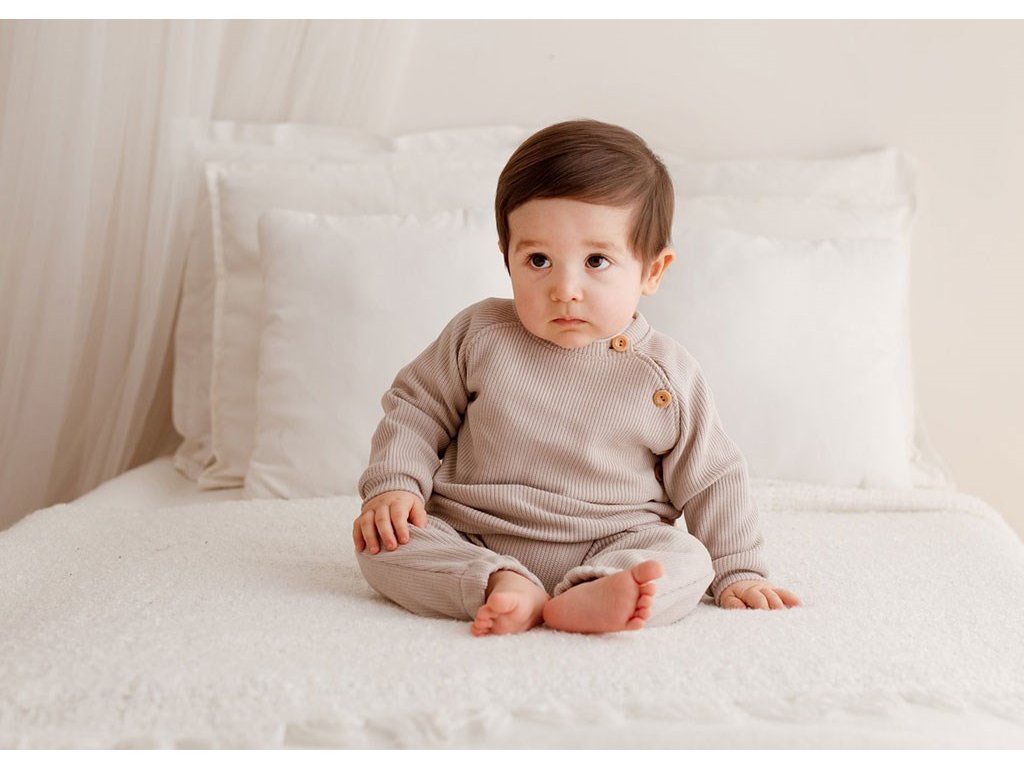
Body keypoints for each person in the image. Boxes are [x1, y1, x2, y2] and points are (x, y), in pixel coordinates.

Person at [353, 118, 801, 636]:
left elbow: (712, 477)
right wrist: (395, 485)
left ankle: (598, 591)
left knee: (686, 559)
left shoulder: (666, 373)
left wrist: (738, 571)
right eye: (539, 260)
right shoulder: (479, 335)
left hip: (611, 540)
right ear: (507, 259)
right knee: (381, 543)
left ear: (652, 271)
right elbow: (416, 409)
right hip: (473, 531)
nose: (565, 288)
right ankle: (499, 582)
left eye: (596, 261)